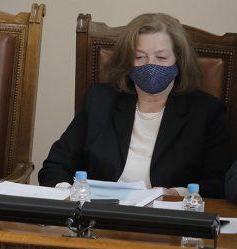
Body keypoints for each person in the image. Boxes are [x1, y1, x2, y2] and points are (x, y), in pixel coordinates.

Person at [38, 13, 232, 198]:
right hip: (99, 211)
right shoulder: (100, 100)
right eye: (139, 57)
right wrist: (70, 193)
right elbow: (55, 165)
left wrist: (177, 194)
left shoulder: (206, 112)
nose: (150, 66)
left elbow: (219, 182)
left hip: (166, 213)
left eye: (161, 57)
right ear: (127, 61)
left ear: (179, 60)